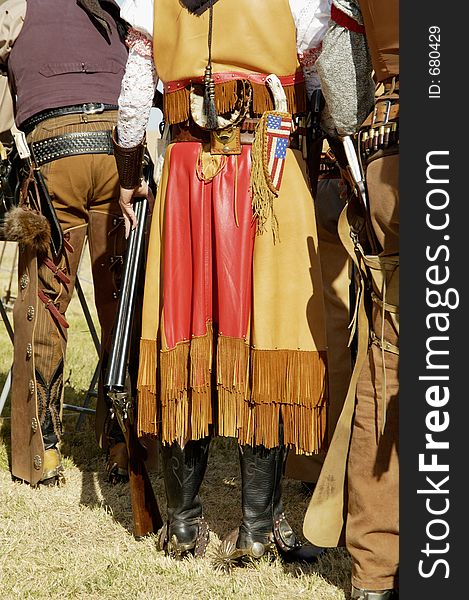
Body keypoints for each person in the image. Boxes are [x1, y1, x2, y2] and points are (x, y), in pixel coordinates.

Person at [113, 0, 331, 561]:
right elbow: (331, 87)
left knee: (185, 334)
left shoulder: (154, 4)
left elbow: (132, 111)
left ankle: (184, 527)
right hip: (266, 174)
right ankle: (258, 530)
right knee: (267, 339)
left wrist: (133, 175)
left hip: (189, 175)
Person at [0, 0, 131, 486]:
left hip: (53, 151)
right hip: (119, 146)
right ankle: (125, 444)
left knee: (45, 298)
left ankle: (44, 454)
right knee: (123, 298)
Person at [303, 0, 399, 598]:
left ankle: (376, 570)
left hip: (388, 140)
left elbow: (340, 63)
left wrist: (363, 174)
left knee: (388, 357)